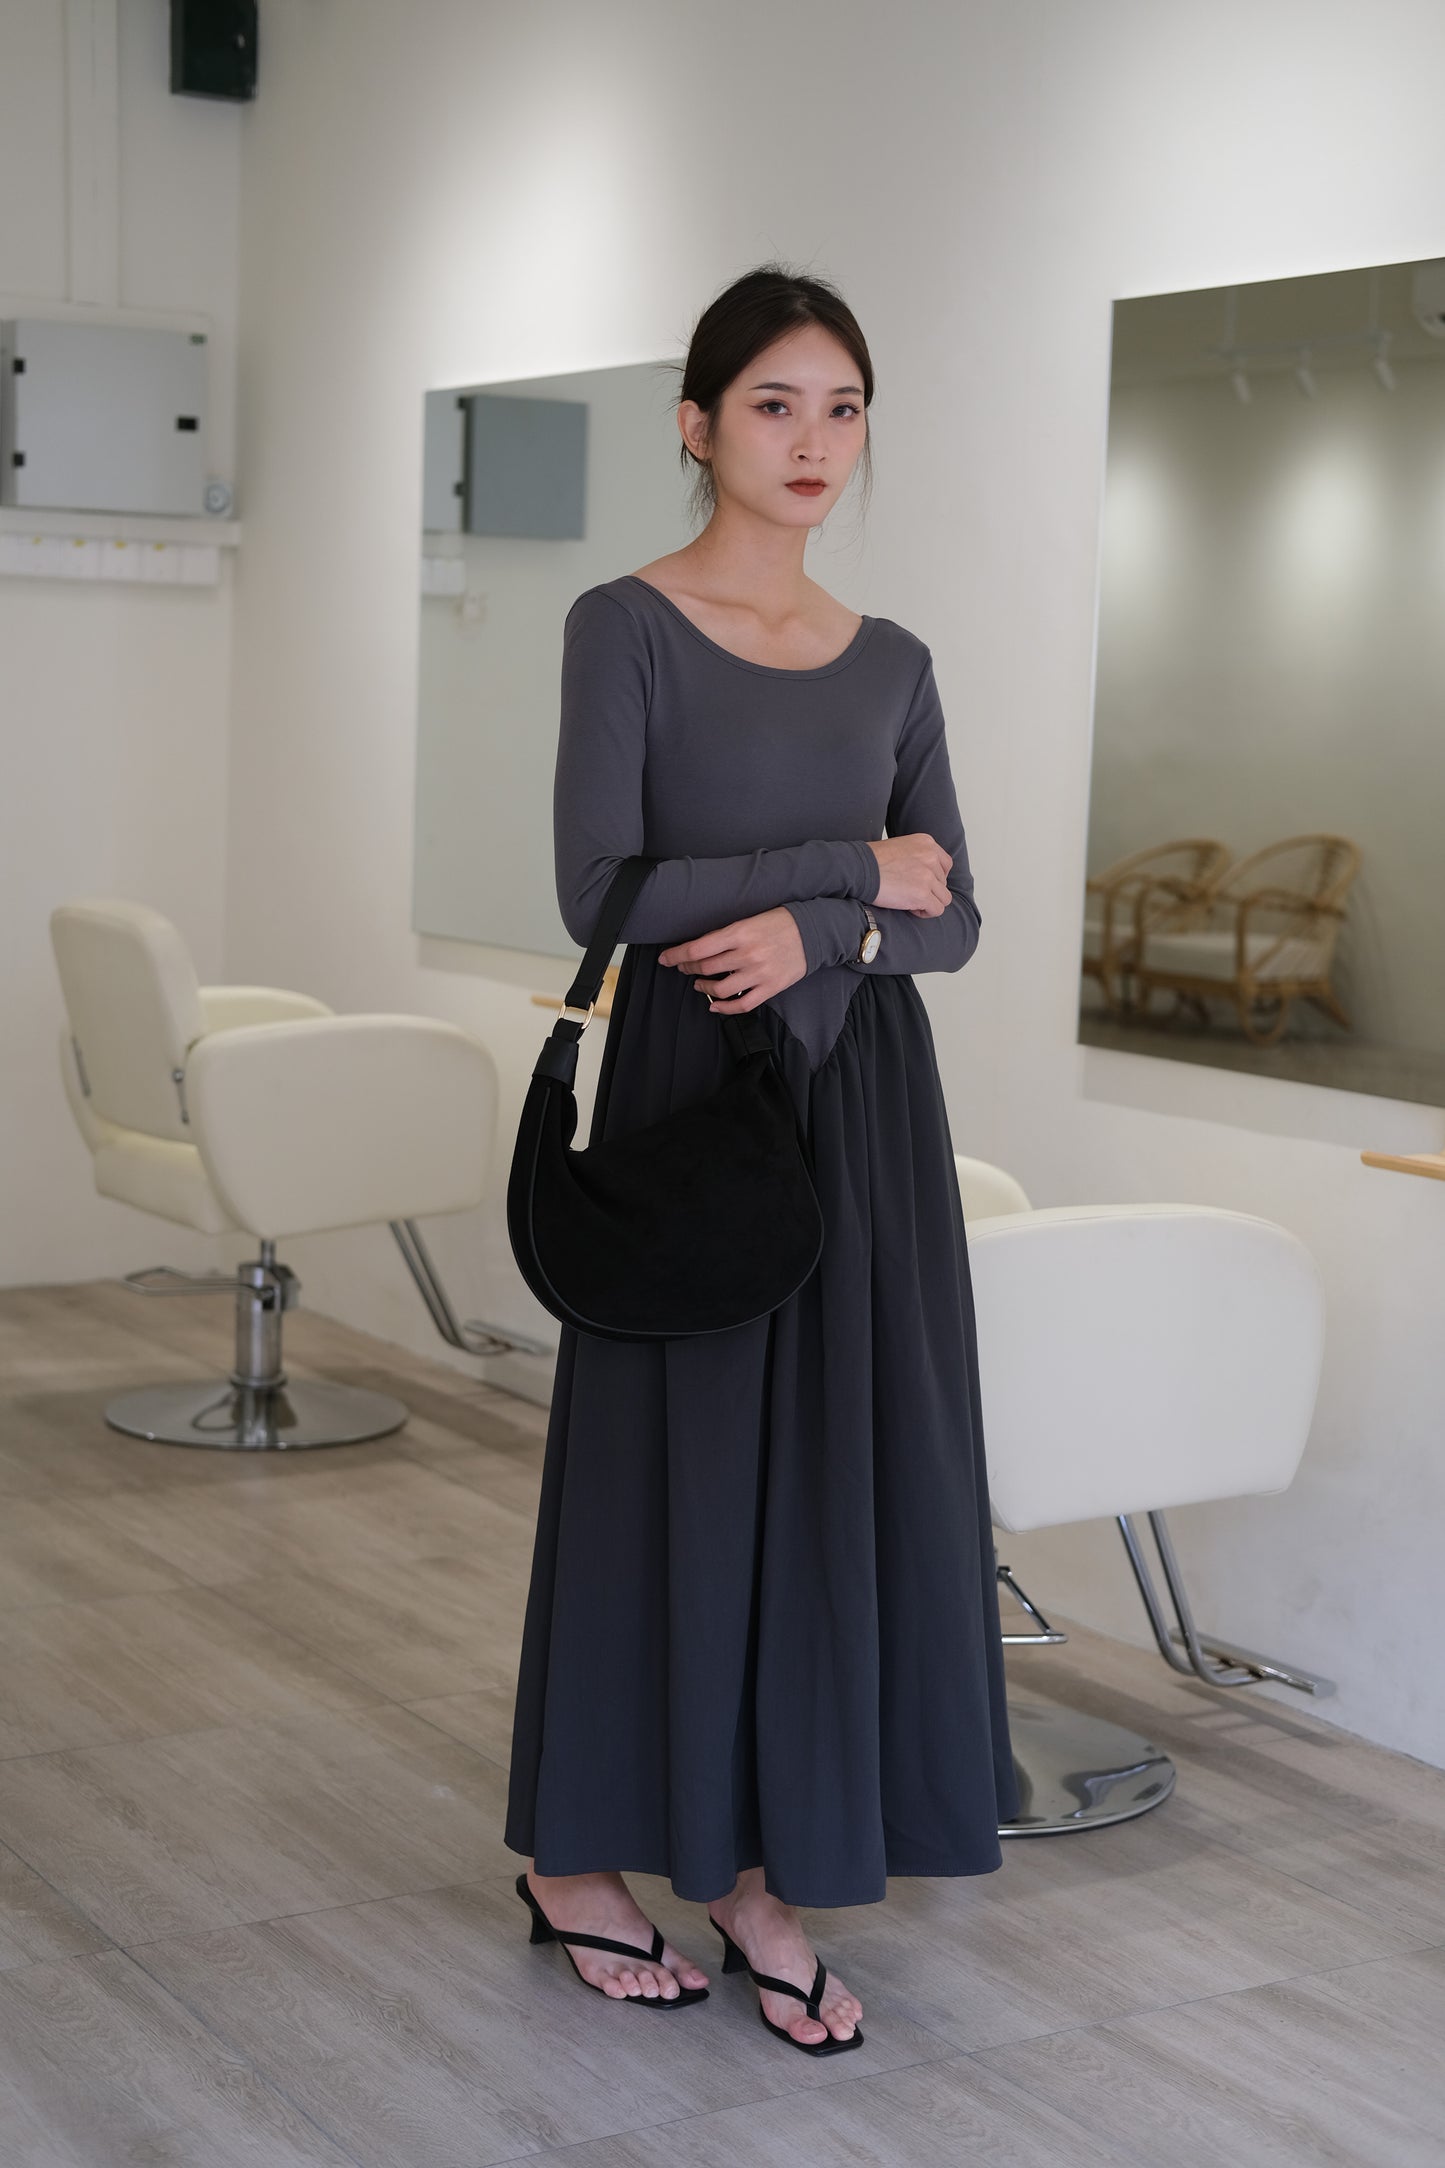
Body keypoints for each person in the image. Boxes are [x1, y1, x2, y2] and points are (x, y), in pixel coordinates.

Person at [505, 262, 1019, 2054]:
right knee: (670, 1474)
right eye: (775, 405)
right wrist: (845, 870)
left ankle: (756, 1880)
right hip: (687, 1093)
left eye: (842, 408)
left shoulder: (895, 662)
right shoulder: (624, 626)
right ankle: (579, 1860)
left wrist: (829, 929)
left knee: (831, 1485)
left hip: (861, 1103)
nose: (813, 442)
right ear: (697, 425)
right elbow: (602, 891)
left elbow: (956, 917)